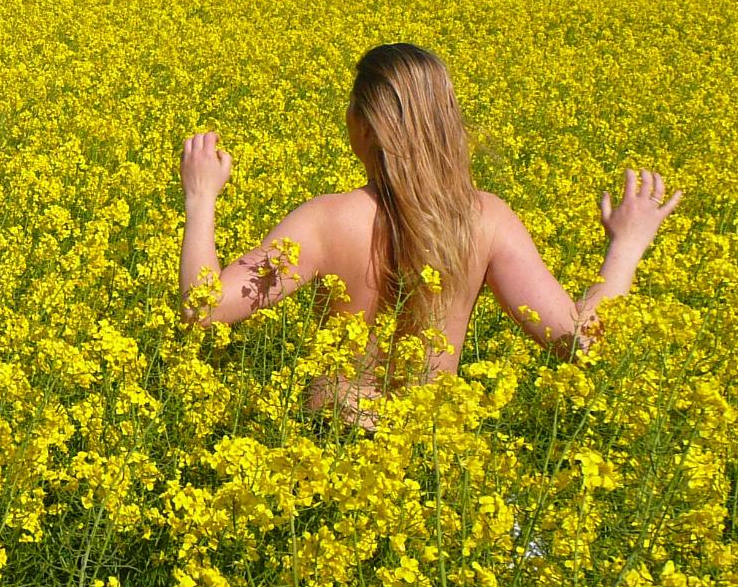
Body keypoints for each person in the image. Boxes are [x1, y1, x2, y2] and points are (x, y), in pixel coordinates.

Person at [177, 42, 682, 429]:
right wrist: (627, 244)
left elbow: (203, 308)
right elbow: (580, 340)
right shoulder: (486, 220)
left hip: (331, 448)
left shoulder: (325, 222)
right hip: (425, 463)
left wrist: (201, 198)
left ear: (365, 126)